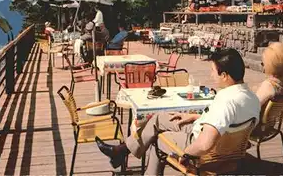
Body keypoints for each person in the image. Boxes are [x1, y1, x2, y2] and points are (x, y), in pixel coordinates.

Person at [95, 49, 261, 175]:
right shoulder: (252, 98)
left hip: (202, 148)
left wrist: (186, 154)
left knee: (158, 140)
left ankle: (122, 153)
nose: (211, 75)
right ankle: (121, 151)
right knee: (159, 119)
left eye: (213, 70)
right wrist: (196, 116)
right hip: (228, 150)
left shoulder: (226, 102)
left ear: (224, 75)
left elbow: (205, 144)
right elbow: (229, 123)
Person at [256, 42, 283, 109]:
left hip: (259, 119)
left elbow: (253, 106)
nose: (263, 66)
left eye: (263, 63)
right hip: (273, 119)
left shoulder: (269, 86)